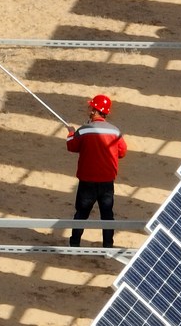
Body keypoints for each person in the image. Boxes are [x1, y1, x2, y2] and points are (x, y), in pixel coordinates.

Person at [65, 94, 127, 248]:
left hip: (87, 180)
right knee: (107, 215)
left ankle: (74, 244)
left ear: (94, 110)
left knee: (81, 213)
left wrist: (71, 132)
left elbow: (72, 146)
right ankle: (108, 245)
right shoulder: (115, 131)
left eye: (91, 107)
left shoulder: (84, 130)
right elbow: (122, 152)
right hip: (107, 181)